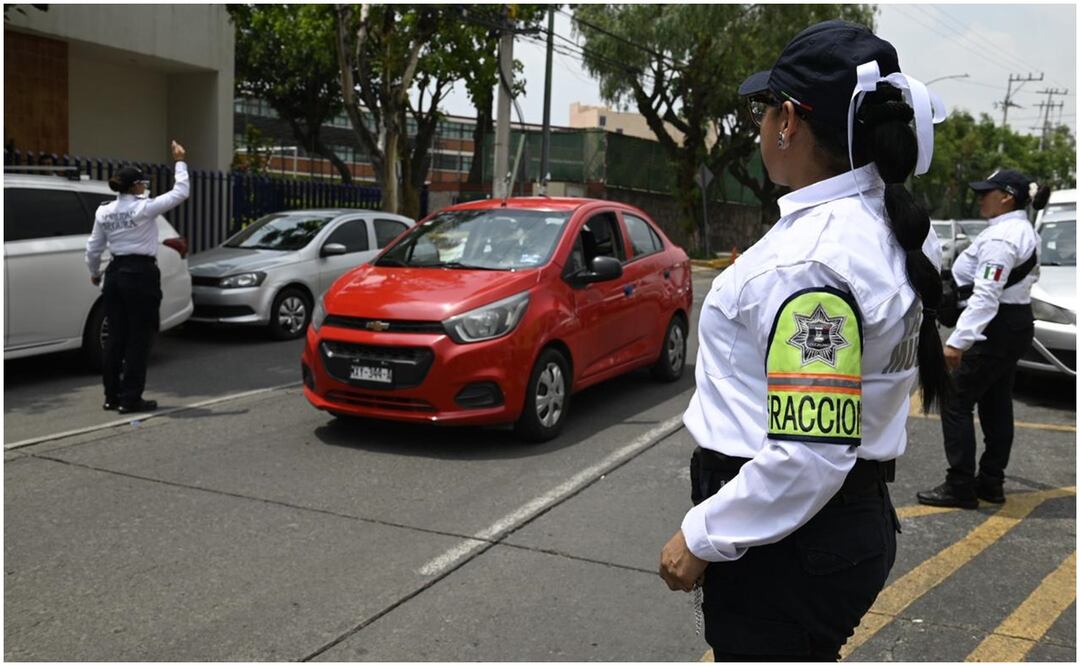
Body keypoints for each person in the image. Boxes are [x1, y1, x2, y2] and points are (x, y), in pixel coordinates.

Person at [657, 20, 948, 661]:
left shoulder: (810, 262)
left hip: (790, 544)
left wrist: (702, 534)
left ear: (788, 121)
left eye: (765, 111)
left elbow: (809, 454)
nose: (761, 126)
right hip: (835, 527)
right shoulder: (889, 224)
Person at [917, 170, 1048, 508]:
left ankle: (960, 485)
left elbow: (987, 295)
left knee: (955, 400)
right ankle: (991, 482)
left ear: (1006, 197)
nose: (980, 198)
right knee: (996, 401)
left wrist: (957, 342)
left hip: (995, 325)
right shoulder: (1021, 230)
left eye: (986, 192)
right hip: (1013, 323)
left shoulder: (1003, 238)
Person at [86, 140, 189, 414]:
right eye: (142, 183)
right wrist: (180, 160)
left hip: (115, 274)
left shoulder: (104, 211)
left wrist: (94, 273)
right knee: (139, 338)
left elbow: (93, 248)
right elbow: (181, 192)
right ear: (134, 187)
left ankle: (112, 396)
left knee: (115, 337)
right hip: (141, 275)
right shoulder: (144, 208)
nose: (144, 186)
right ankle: (131, 398)